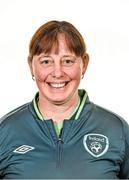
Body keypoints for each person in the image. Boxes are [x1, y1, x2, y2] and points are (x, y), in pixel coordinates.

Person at [0, 20, 129, 179]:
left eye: (67, 61)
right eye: (46, 61)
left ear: (85, 63)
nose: (57, 72)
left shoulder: (117, 129)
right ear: (31, 65)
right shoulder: (4, 131)